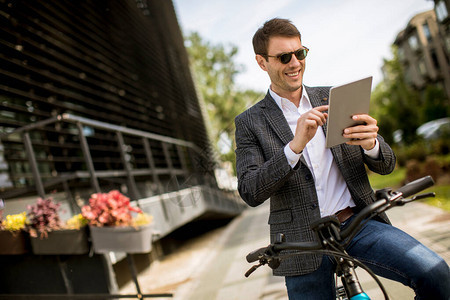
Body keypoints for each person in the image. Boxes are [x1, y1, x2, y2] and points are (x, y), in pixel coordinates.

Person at [234, 18, 450, 299]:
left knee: (436, 273)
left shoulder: (333, 97)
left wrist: (372, 144)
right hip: (300, 241)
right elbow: (250, 190)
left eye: (300, 53)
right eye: (284, 57)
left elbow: (386, 165)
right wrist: (294, 146)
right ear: (262, 62)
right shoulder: (250, 122)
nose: (295, 63)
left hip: (358, 223)